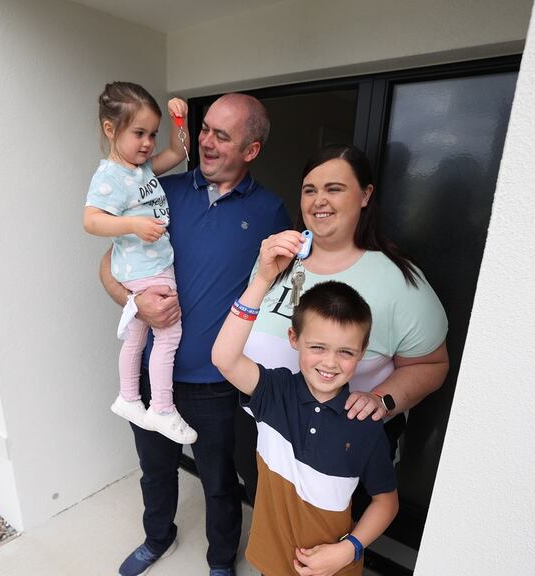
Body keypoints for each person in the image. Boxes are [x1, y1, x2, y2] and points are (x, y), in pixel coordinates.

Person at [100, 93, 292, 576]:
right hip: (149, 376)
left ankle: (221, 563)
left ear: (250, 150)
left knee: (220, 482)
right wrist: (134, 302)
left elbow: (277, 298)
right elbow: (108, 263)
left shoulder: (270, 212)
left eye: (221, 136)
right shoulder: (157, 190)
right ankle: (157, 537)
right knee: (156, 470)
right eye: (205, 129)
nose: (204, 142)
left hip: (214, 382)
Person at [237, 144, 449, 503]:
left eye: (334, 189)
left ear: (365, 195)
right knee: (272, 528)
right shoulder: (278, 261)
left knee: (328, 544)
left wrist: (383, 400)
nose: (319, 200)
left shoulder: (399, 280)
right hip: (261, 430)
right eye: (310, 190)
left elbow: (432, 364)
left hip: (337, 447)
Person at [213, 279, 399, 576]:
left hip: (334, 568)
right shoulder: (274, 391)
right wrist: (261, 279)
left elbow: (386, 501)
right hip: (271, 559)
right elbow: (224, 358)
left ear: (362, 352)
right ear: (294, 338)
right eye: (317, 347)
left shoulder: (364, 423)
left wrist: (348, 549)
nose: (330, 362)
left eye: (346, 352)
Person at [83, 81, 197, 444]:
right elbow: (91, 220)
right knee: (169, 332)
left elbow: (177, 154)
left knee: (137, 334)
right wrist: (132, 223)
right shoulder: (111, 176)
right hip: (147, 269)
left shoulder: (141, 167)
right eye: (139, 133)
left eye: (152, 133)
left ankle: (129, 398)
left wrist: (181, 123)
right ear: (110, 130)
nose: (148, 143)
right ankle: (162, 408)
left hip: (144, 267)